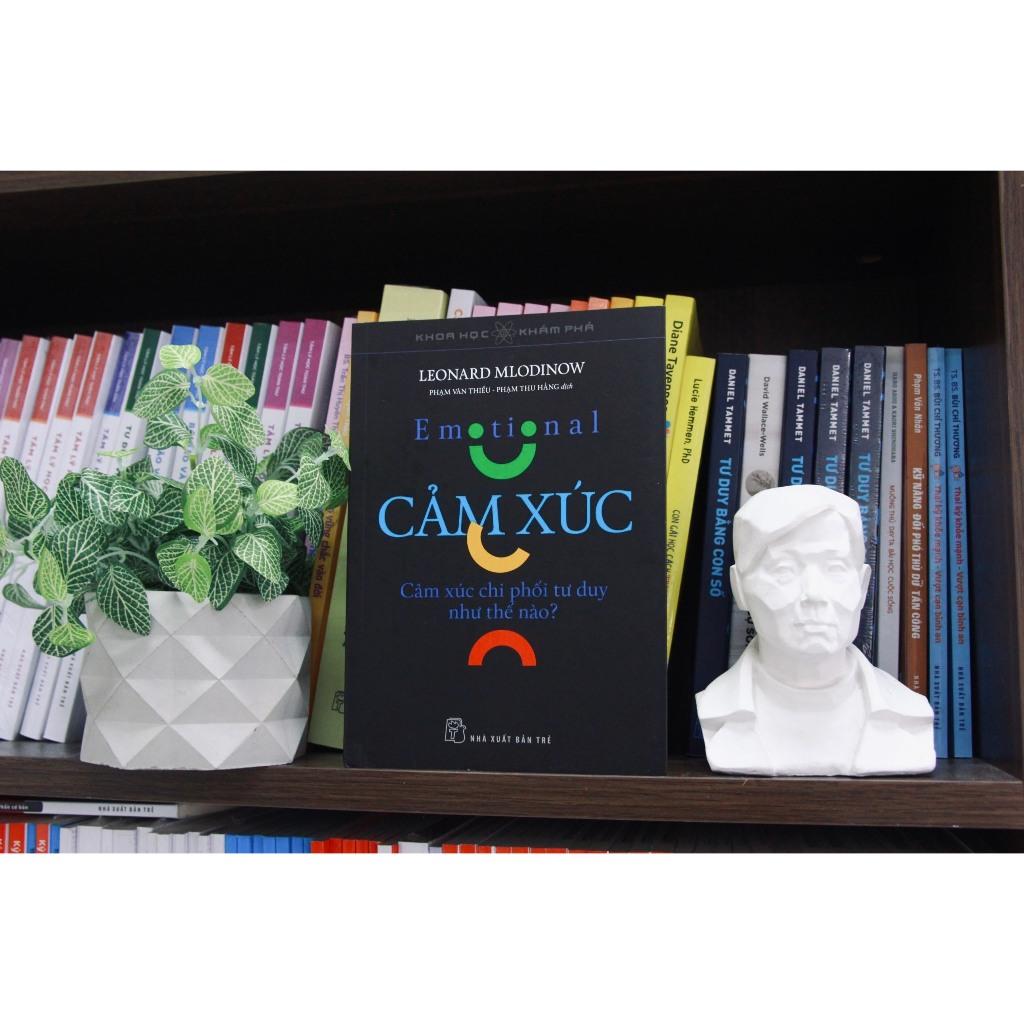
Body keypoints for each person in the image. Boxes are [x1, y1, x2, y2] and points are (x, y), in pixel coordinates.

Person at [696, 485, 936, 776]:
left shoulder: (909, 713)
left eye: (835, 569)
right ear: (740, 588)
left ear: (862, 587)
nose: (814, 594)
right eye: (784, 570)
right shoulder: (713, 709)